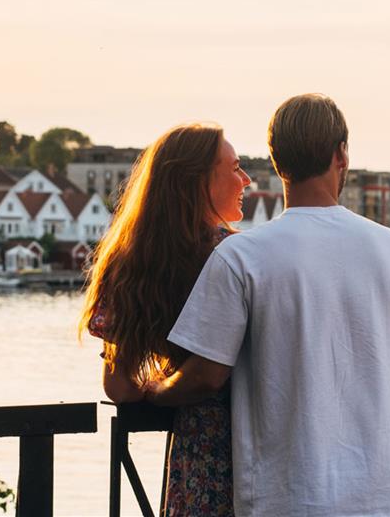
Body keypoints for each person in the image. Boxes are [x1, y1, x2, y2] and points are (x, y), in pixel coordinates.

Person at [146, 93, 390, 516]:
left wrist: (156, 392)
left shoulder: (241, 257)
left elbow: (206, 376)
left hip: (289, 499)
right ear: (341, 155)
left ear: (276, 160)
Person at [81, 122, 253, 516]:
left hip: (199, 451)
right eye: (236, 168)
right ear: (197, 182)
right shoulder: (240, 257)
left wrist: (162, 389)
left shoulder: (132, 262)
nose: (245, 180)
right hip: (264, 441)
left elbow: (119, 386)